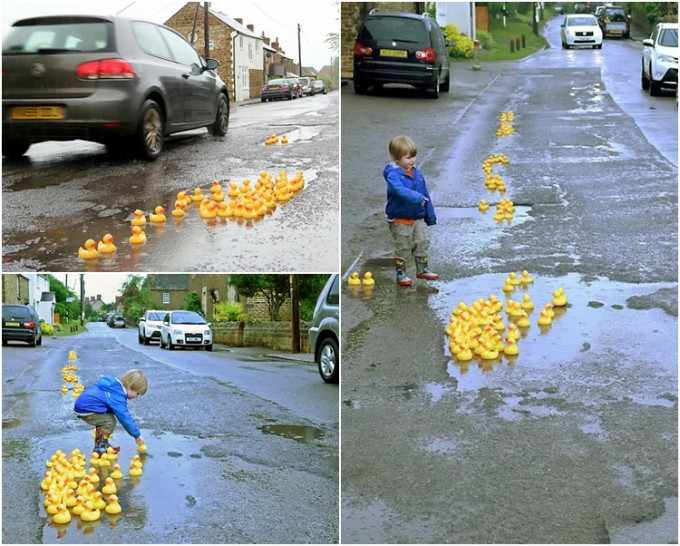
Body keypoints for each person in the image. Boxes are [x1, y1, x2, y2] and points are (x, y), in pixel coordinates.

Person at [384, 135, 438, 286]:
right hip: (401, 219)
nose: (412, 160)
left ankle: (422, 269)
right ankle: (401, 273)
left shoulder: (416, 172)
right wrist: (416, 198)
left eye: (413, 156)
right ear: (397, 158)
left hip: (417, 217)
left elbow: (425, 194)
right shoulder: (393, 175)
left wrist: (429, 215)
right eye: (408, 158)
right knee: (403, 246)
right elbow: (399, 190)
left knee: (422, 242)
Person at [74, 369, 147, 454]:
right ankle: (99, 448)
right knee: (109, 421)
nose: (137, 397)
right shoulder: (117, 395)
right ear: (131, 386)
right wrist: (137, 435)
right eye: (137, 393)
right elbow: (124, 417)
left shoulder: (114, 387)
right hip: (87, 408)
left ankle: (103, 444)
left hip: (85, 405)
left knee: (106, 418)